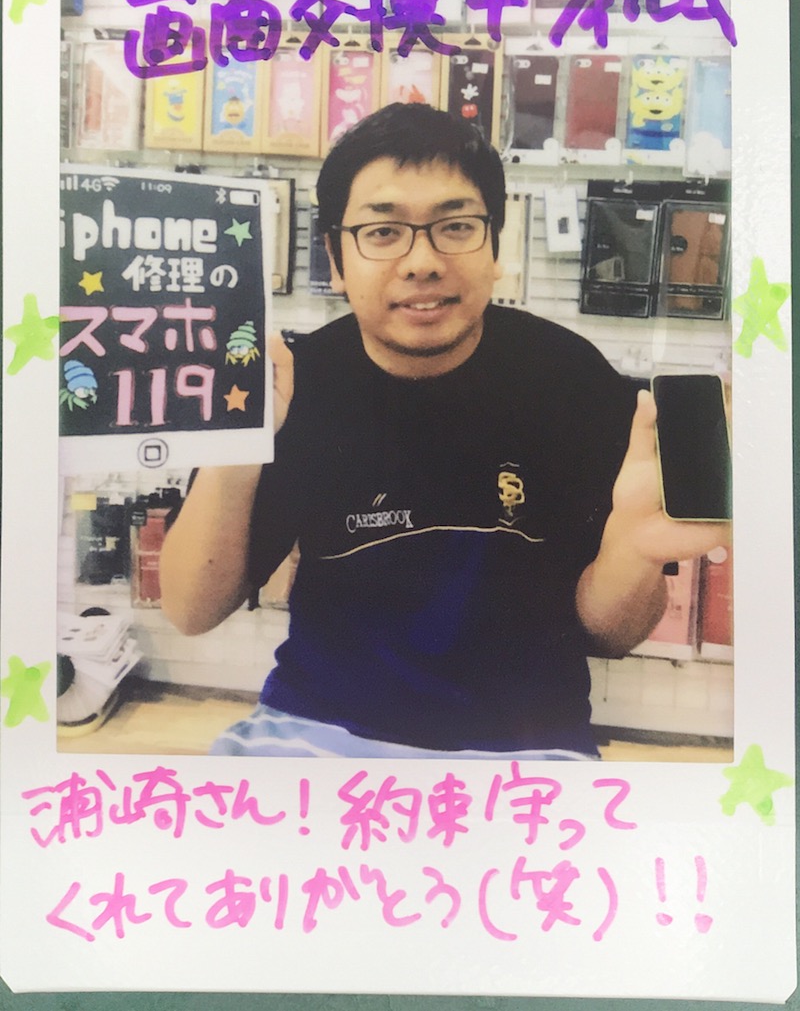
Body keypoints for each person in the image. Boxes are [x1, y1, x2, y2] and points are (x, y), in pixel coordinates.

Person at [160, 103, 727, 760]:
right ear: (336, 258)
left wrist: (634, 551)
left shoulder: (572, 379)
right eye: (382, 231)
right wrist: (237, 448)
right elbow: (192, 610)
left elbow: (610, 635)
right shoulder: (292, 383)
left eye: (456, 226)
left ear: (496, 247)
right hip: (316, 726)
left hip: (527, 741)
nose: (422, 261)